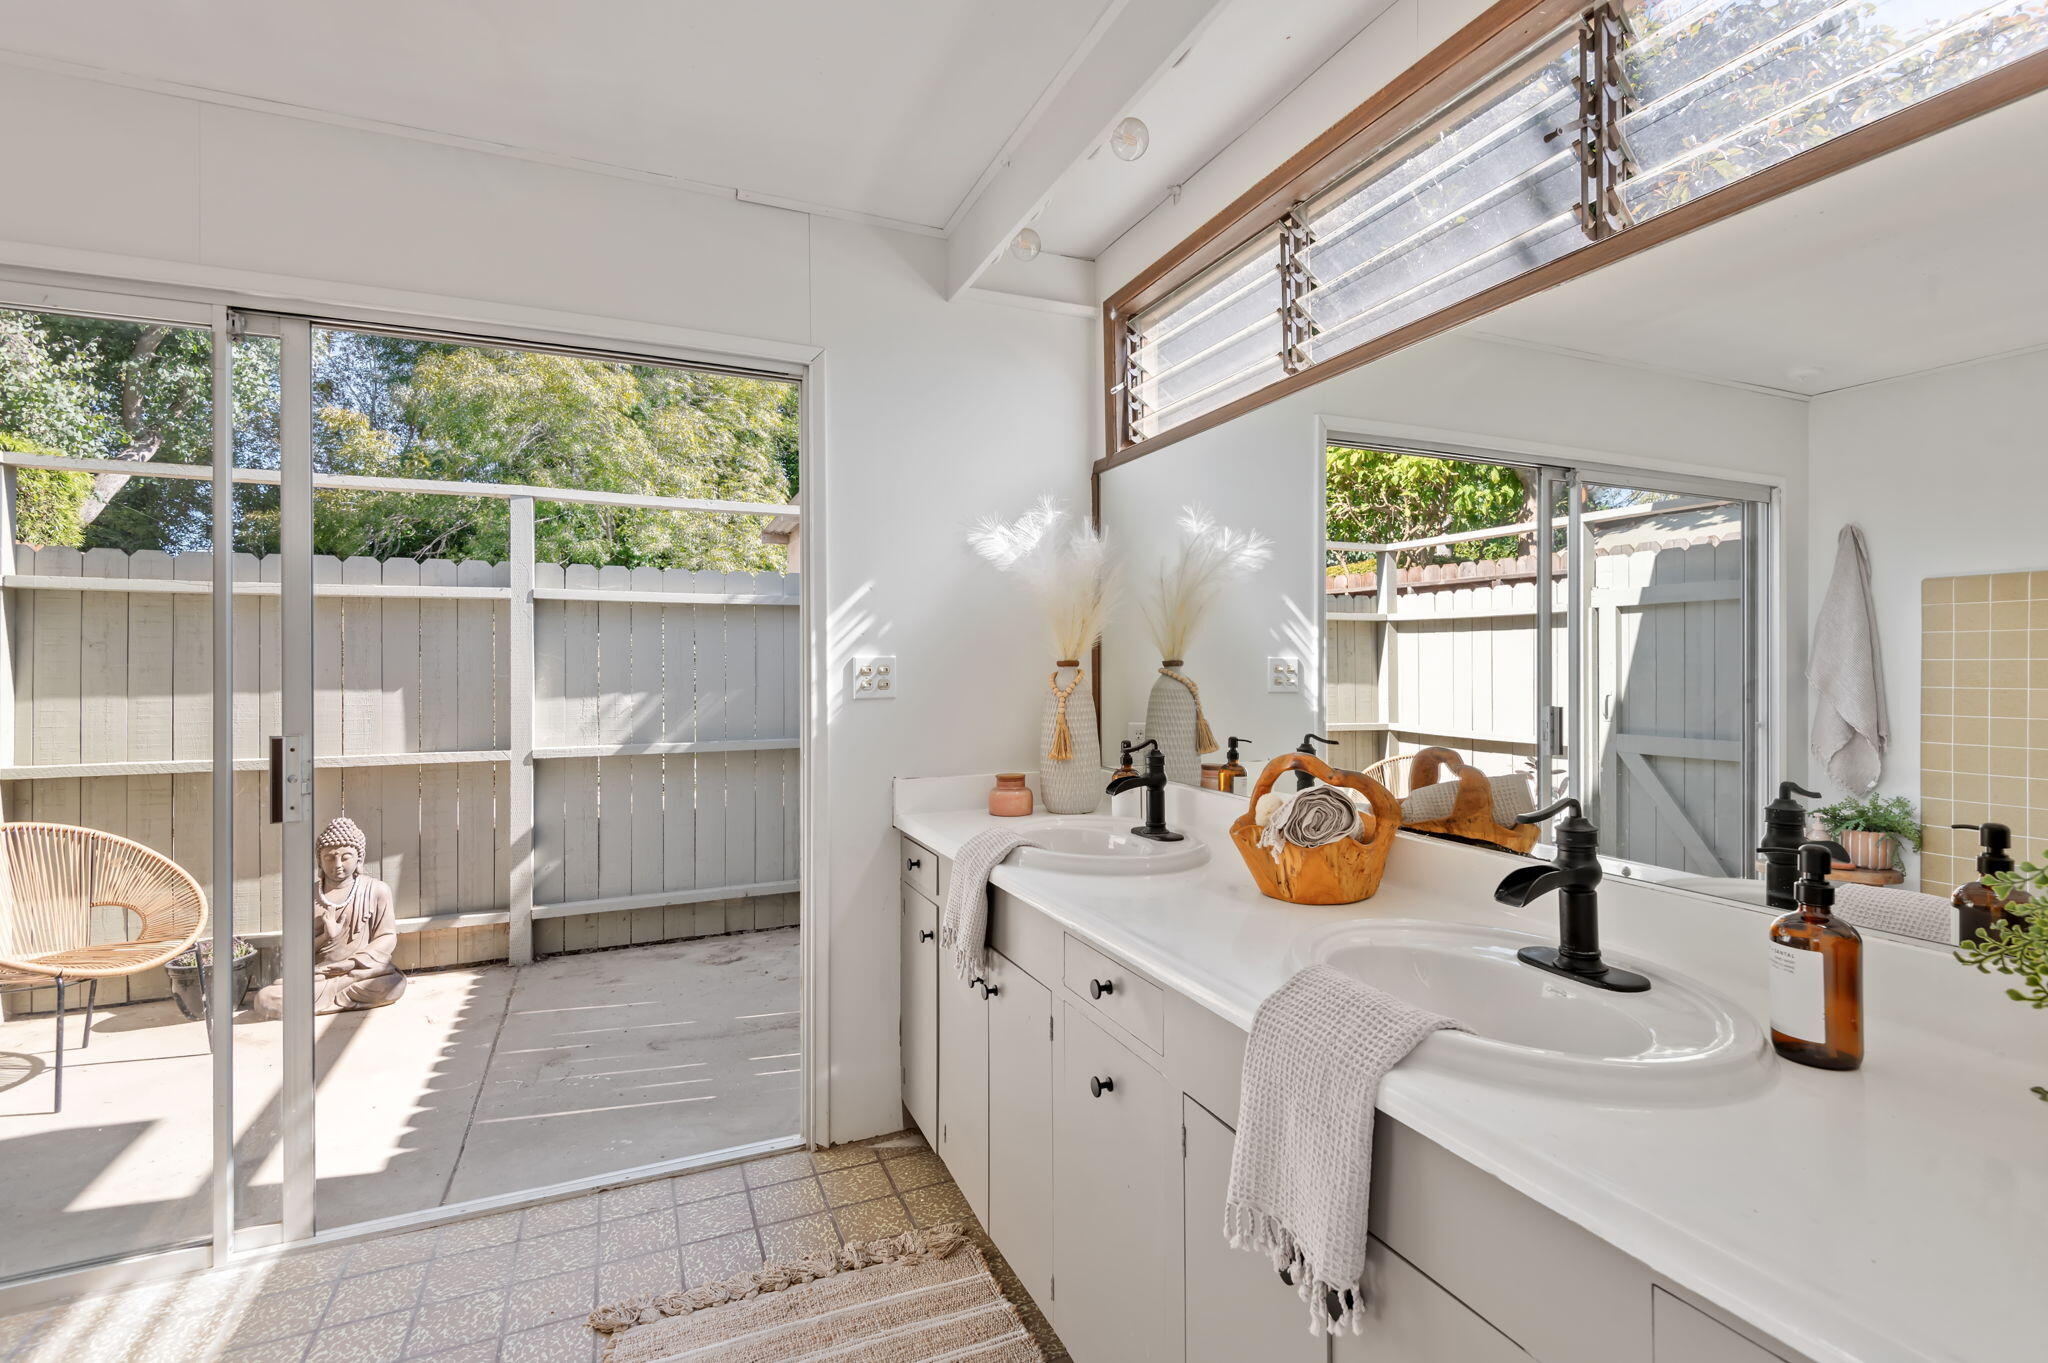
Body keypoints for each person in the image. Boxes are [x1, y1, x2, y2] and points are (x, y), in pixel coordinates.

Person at [252, 816, 407, 1018]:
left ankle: (321, 1002)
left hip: (357, 972)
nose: (337, 865)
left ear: (359, 858)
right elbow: (295, 950)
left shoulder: (376, 890)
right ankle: (337, 1000)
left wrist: (353, 963)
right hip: (318, 976)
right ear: (319, 860)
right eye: (329, 857)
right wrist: (326, 936)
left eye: (345, 857)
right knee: (265, 999)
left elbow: (387, 937)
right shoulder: (306, 896)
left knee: (394, 984)